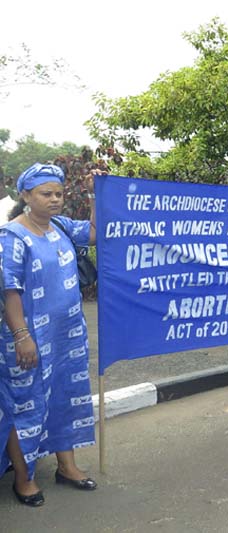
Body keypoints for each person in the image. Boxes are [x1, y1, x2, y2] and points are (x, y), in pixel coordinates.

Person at [1, 163, 98, 507]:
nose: (55, 200)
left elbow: (95, 232)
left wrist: (94, 191)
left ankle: (67, 467)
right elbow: (9, 290)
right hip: (27, 337)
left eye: (58, 193)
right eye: (46, 194)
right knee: (23, 404)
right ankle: (24, 479)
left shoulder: (60, 226)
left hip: (67, 334)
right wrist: (22, 335)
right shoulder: (11, 236)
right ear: (26, 195)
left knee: (65, 396)